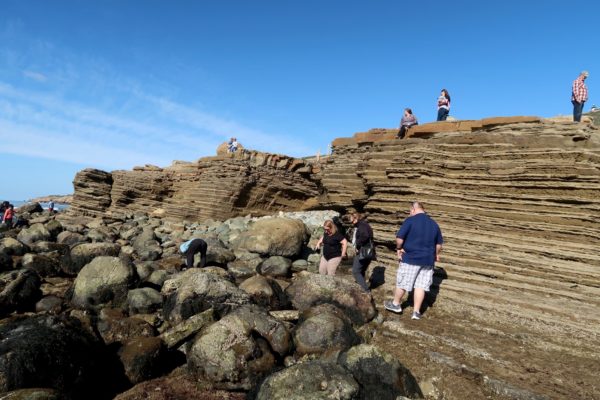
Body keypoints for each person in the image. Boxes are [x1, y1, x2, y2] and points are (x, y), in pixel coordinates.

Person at [385, 201, 443, 320]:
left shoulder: (410, 220)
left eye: (410, 211)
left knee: (403, 282)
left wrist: (399, 248)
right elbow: (438, 244)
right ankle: (416, 312)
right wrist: (435, 255)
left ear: (413, 209)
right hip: (428, 260)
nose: (409, 213)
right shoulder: (434, 224)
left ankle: (396, 304)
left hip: (411, 258)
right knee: (421, 286)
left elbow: (399, 238)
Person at [350, 212, 375, 292]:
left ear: (356, 219)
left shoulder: (362, 226)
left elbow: (365, 236)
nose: (351, 222)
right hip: (368, 251)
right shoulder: (365, 225)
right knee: (361, 271)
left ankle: (365, 290)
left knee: (355, 271)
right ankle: (362, 288)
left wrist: (358, 245)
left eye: (352, 220)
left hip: (363, 251)